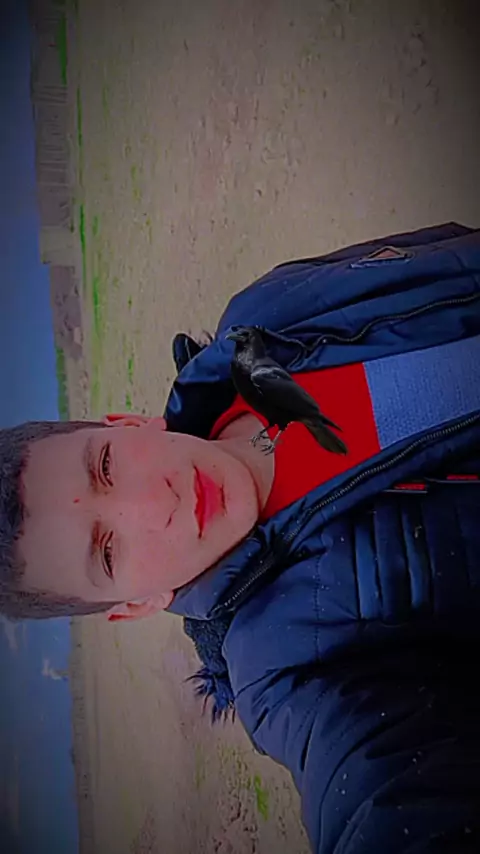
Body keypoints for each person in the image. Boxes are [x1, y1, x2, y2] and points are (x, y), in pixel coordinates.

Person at [2, 221, 480, 852]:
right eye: (108, 551)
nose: (157, 502)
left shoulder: (268, 313)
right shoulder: (284, 673)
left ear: (129, 424)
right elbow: (376, 793)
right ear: (137, 604)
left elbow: (448, 252)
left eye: (107, 466)